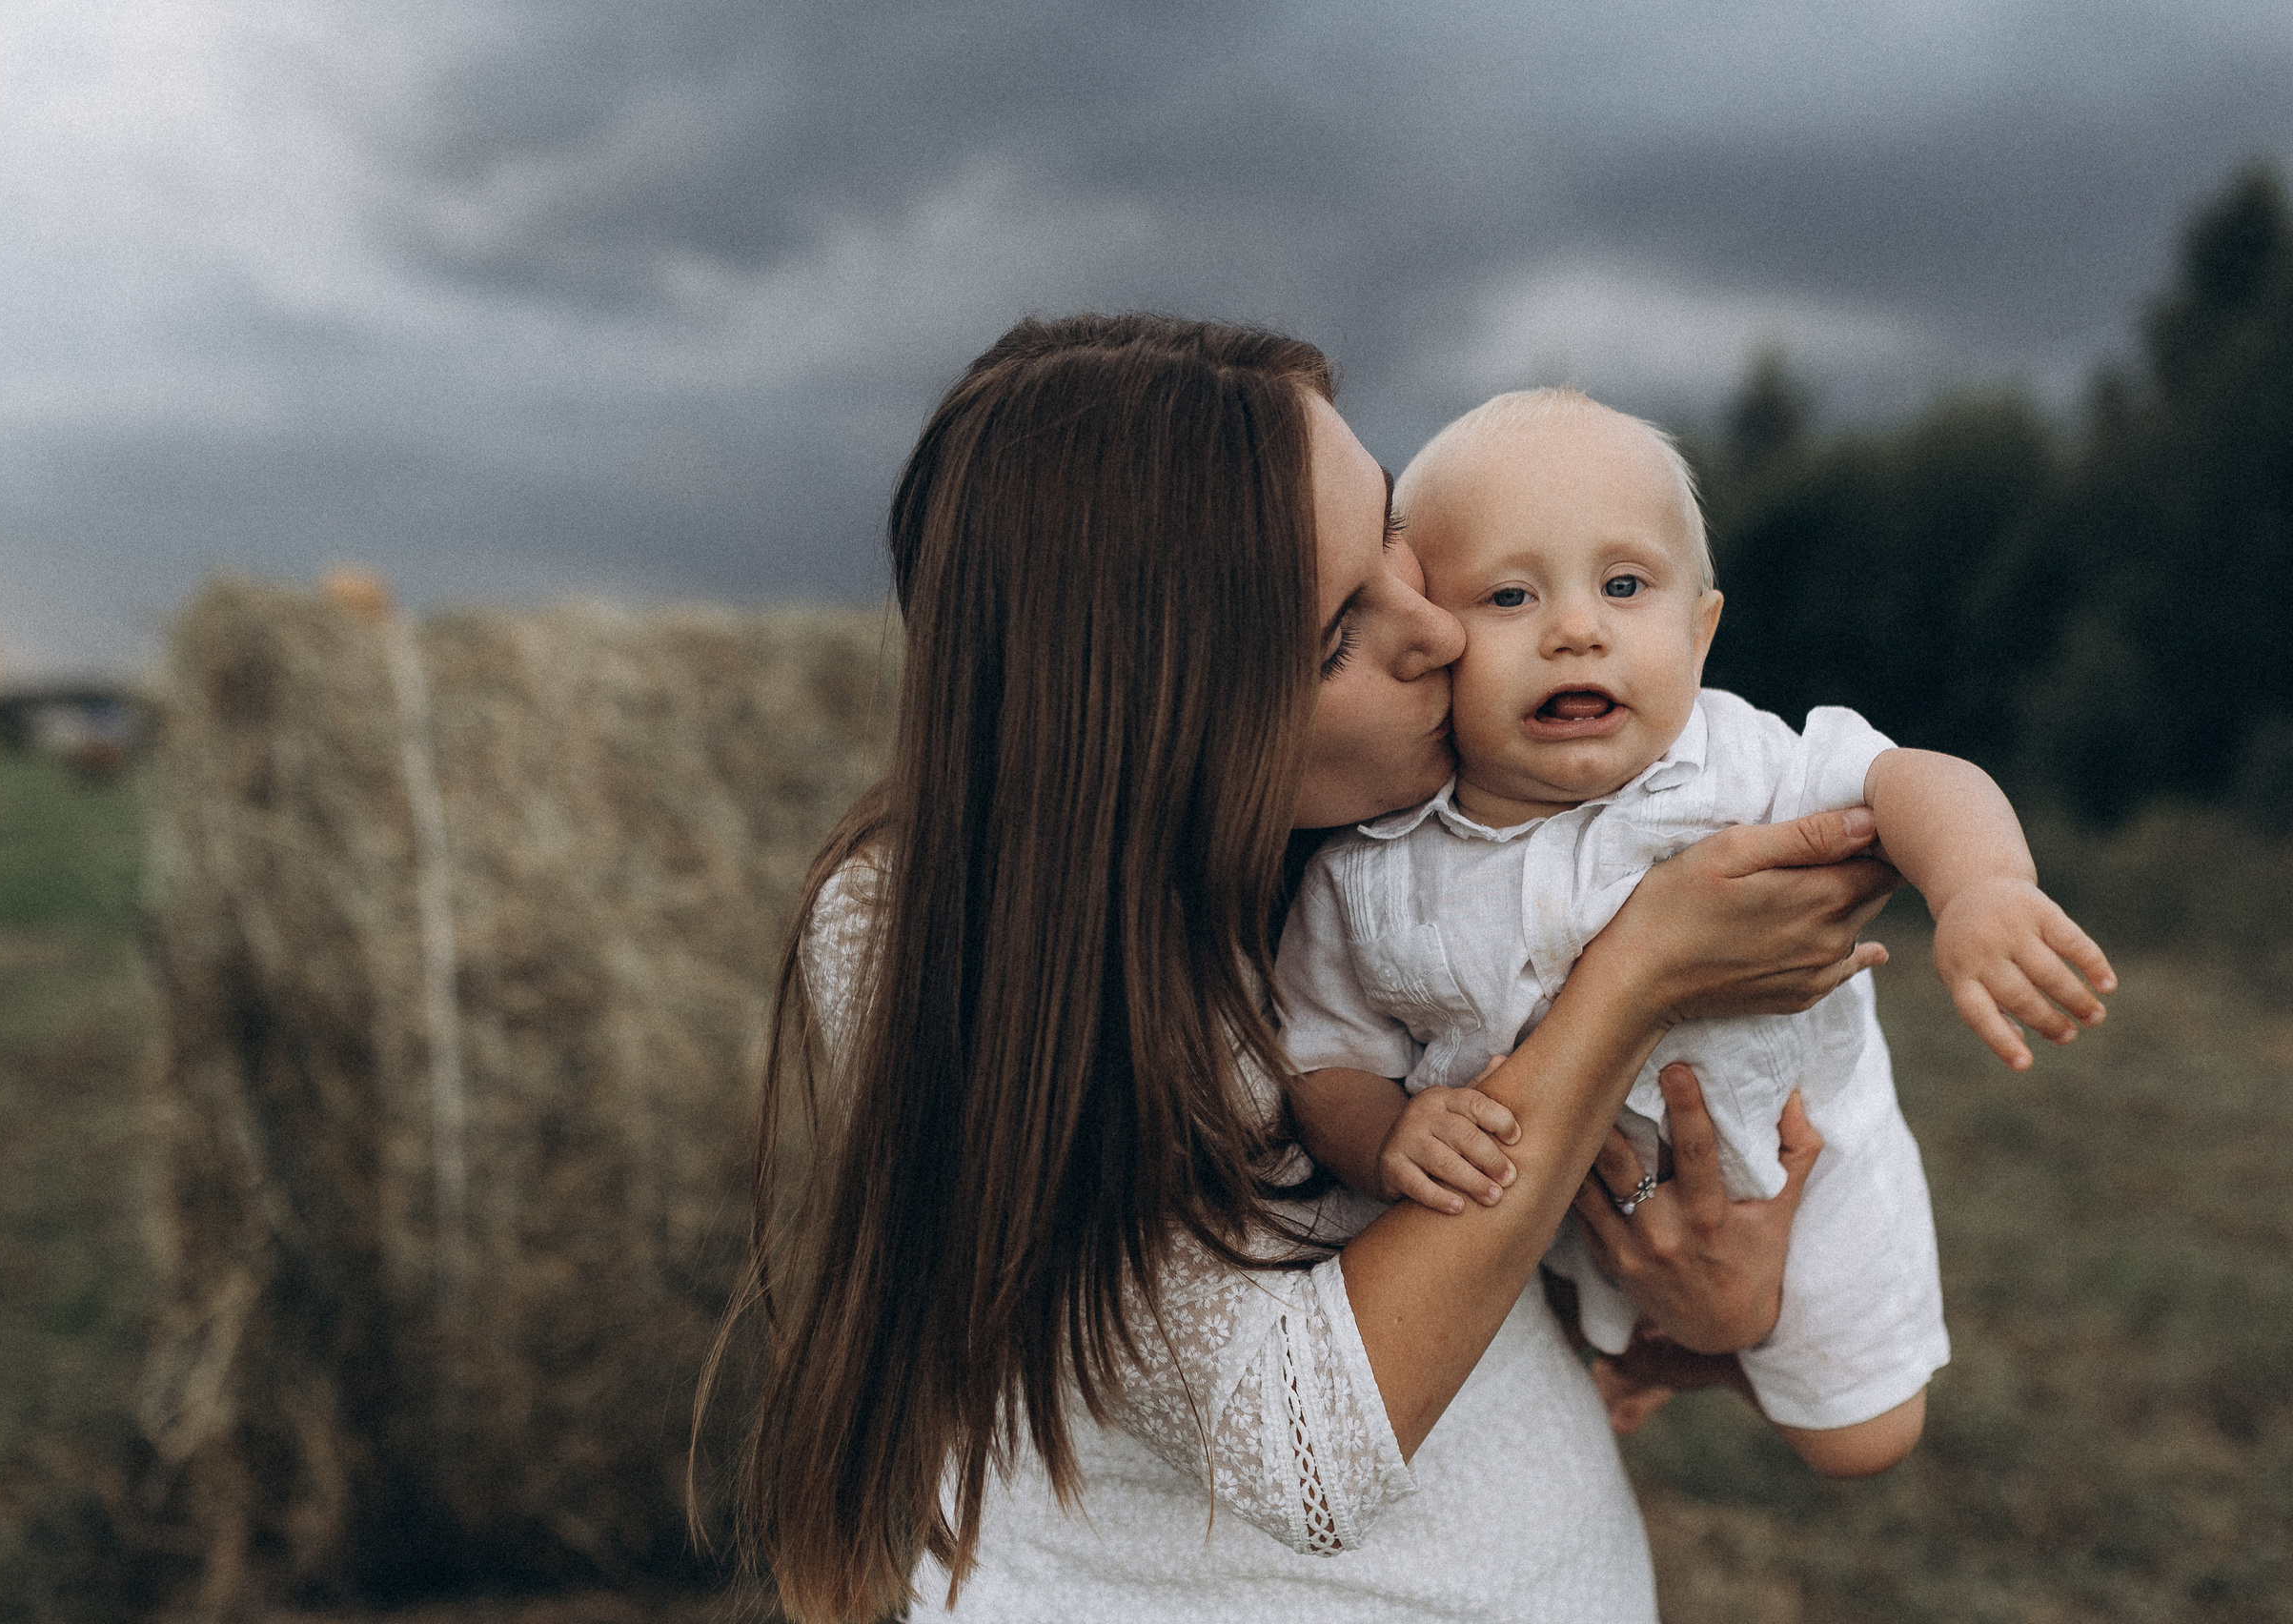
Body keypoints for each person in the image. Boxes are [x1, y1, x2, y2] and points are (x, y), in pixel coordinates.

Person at [719, 315, 1903, 1622]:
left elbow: (1498, 1270)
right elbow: (1297, 1437)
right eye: (1342, 629)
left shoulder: (1395, 840)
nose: (1443, 633)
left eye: (1397, 543)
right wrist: (1635, 983)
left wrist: (1723, 1323)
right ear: (1162, 706)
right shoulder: (913, 929)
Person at [1273, 387, 2118, 1480]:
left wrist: (1981, 887)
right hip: (1557, 1214)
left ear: (1698, 628)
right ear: (1435, 636)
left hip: (1799, 1161)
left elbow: (1910, 780)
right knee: (1561, 1332)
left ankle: (1702, 1355)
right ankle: (1645, 1350)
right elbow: (1323, 1049)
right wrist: (1382, 1133)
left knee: (1860, 1440)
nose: (1574, 627)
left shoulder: (1738, 766)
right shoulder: (1373, 867)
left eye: (1624, 587)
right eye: (1509, 595)